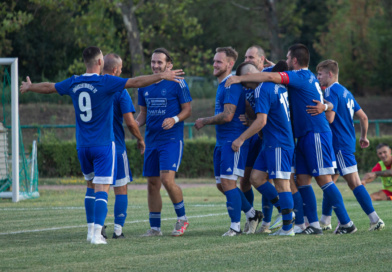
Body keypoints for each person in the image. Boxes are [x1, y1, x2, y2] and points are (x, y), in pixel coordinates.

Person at [20, 46, 184, 244]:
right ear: (100, 63)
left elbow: (49, 87)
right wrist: (162, 76)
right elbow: (136, 82)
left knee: (90, 187)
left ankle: (91, 231)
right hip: (103, 145)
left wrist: (31, 87)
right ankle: (100, 233)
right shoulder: (106, 82)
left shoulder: (74, 81)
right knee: (104, 189)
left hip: (82, 145)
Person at [225, 43, 356, 235]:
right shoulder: (301, 78)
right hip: (300, 135)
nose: (285, 62)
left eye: (287, 58)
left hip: (315, 132)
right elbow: (278, 76)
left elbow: (271, 77)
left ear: (294, 61)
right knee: (301, 180)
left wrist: (239, 78)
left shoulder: (299, 76)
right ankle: (312, 225)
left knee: (323, 179)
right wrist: (326, 106)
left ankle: (346, 223)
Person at [195, 47, 262, 236]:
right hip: (222, 140)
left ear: (230, 64)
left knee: (228, 182)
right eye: (214, 61)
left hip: (233, 141)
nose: (214, 64)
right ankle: (252, 214)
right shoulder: (222, 84)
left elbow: (227, 115)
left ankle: (235, 226)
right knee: (221, 184)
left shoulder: (231, 84)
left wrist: (204, 120)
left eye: (219, 61)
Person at [315, 59, 384, 231]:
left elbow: (330, 118)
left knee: (354, 183)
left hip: (338, 143)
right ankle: (324, 221)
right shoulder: (346, 91)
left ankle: (375, 220)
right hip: (346, 141)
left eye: (320, 74)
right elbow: (364, 117)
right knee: (329, 182)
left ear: (330, 74)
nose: (318, 77)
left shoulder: (331, 91)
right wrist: (364, 137)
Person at [232, 60, 296, 236]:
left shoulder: (262, 89)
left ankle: (288, 227)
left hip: (278, 142)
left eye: (244, 79)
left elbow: (262, 121)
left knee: (282, 184)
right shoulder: (276, 85)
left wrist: (241, 139)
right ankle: (285, 212)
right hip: (270, 142)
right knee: (256, 177)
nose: (244, 84)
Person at [136, 48, 192, 237]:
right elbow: (143, 114)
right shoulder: (143, 85)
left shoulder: (179, 83)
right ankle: (155, 228)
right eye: (153, 62)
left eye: (159, 62)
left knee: (167, 180)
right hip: (152, 141)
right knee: (152, 183)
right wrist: (133, 126)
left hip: (171, 140)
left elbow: (187, 110)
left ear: (169, 65)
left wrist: (175, 119)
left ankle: (182, 219)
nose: (155, 65)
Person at [102, 53, 146, 239]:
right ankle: (118, 231)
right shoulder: (121, 90)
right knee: (121, 188)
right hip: (116, 147)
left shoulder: (91, 87)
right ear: (115, 70)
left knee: (98, 188)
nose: (121, 71)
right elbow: (130, 122)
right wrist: (140, 139)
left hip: (94, 146)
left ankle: (97, 228)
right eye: (120, 69)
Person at [242, 45, 282, 233]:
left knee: (271, 178)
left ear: (261, 59)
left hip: (273, 135)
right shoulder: (243, 77)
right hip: (256, 134)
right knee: (248, 180)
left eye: (251, 57)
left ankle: (273, 219)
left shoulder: (270, 75)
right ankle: (254, 218)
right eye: (246, 57)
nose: (248, 59)